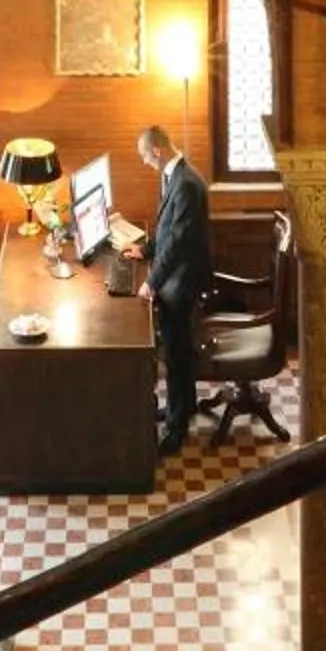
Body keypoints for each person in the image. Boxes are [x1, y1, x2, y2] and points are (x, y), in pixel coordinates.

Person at [127, 124, 211, 457]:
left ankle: (176, 429)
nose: (145, 162)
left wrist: (151, 282)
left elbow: (178, 242)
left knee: (175, 356)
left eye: (145, 156)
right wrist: (146, 251)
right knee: (177, 353)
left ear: (157, 151)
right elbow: (167, 229)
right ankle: (185, 407)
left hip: (183, 283)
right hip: (175, 274)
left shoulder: (187, 184)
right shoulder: (175, 176)